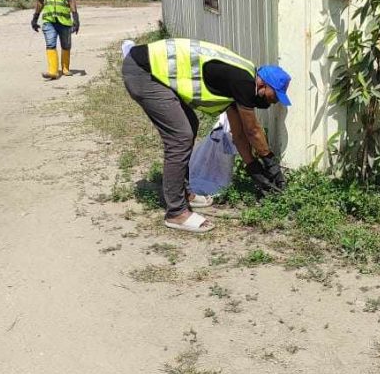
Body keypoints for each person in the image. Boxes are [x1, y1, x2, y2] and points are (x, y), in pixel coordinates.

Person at [123, 36, 291, 234]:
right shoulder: (244, 82)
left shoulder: (241, 79)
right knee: (180, 137)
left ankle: (184, 193)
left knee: (190, 125)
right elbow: (252, 131)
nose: (274, 102)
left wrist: (253, 168)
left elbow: (238, 134)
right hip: (143, 71)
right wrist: (271, 164)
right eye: (275, 96)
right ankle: (176, 212)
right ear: (264, 85)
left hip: (148, 69)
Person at [31, 0, 79, 80]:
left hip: (65, 21)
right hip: (49, 21)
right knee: (50, 44)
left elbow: (71, 1)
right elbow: (40, 2)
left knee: (66, 45)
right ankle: (53, 71)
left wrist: (76, 19)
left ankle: (65, 68)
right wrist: (35, 18)